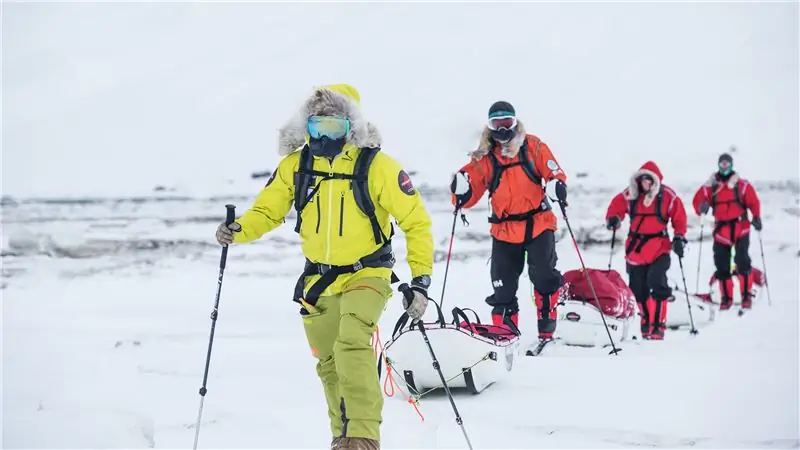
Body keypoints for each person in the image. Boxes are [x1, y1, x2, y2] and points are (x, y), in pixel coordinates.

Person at [215, 84, 434, 450]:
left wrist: (421, 279)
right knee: (329, 362)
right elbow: (268, 210)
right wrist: (239, 230)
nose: (323, 137)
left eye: (332, 128)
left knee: (352, 344)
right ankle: (342, 437)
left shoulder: (377, 166)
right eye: (316, 128)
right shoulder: (296, 166)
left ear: (351, 127)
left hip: (369, 272)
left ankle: (363, 438)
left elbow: (417, 222)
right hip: (318, 278)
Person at [450, 101, 568, 346]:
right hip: (504, 231)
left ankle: (547, 330)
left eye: (507, 123)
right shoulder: (484, 158)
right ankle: (504, 335)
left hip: (538, 223)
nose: (503, 129)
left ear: (515, 123)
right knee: (502, 288)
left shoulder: (533, 146)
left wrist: (557, 183)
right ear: (490, 126)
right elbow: (469, 194)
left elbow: (554, 171)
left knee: (544, 277)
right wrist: (460, 191)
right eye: (497, 124)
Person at [604, 161, 687, 340]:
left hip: (660, 248)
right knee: (637, 288)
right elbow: (616, 207)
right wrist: (613, 219)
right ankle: (646, 322)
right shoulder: (630, 195)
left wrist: (679, 237)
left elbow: (679, 217)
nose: (645, 184)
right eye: (642, 180)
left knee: (657, 282)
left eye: (648, 180)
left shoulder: (668, 197)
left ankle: (659, 326)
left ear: (655, 181)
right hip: (636, 250)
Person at [691, 152, 761, 310]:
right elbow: (698, 200)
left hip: (741, 227)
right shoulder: (711, 186)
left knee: (742, 261)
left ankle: (746, 296)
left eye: (726, 164)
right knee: (721, 264)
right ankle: (726, 298)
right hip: (721, 230)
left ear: (731, 165)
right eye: (721, 164)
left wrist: (756, 217)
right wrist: (701, 207)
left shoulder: (742, 185)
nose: (724, 167)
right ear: (718, 165)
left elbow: (753, 201)